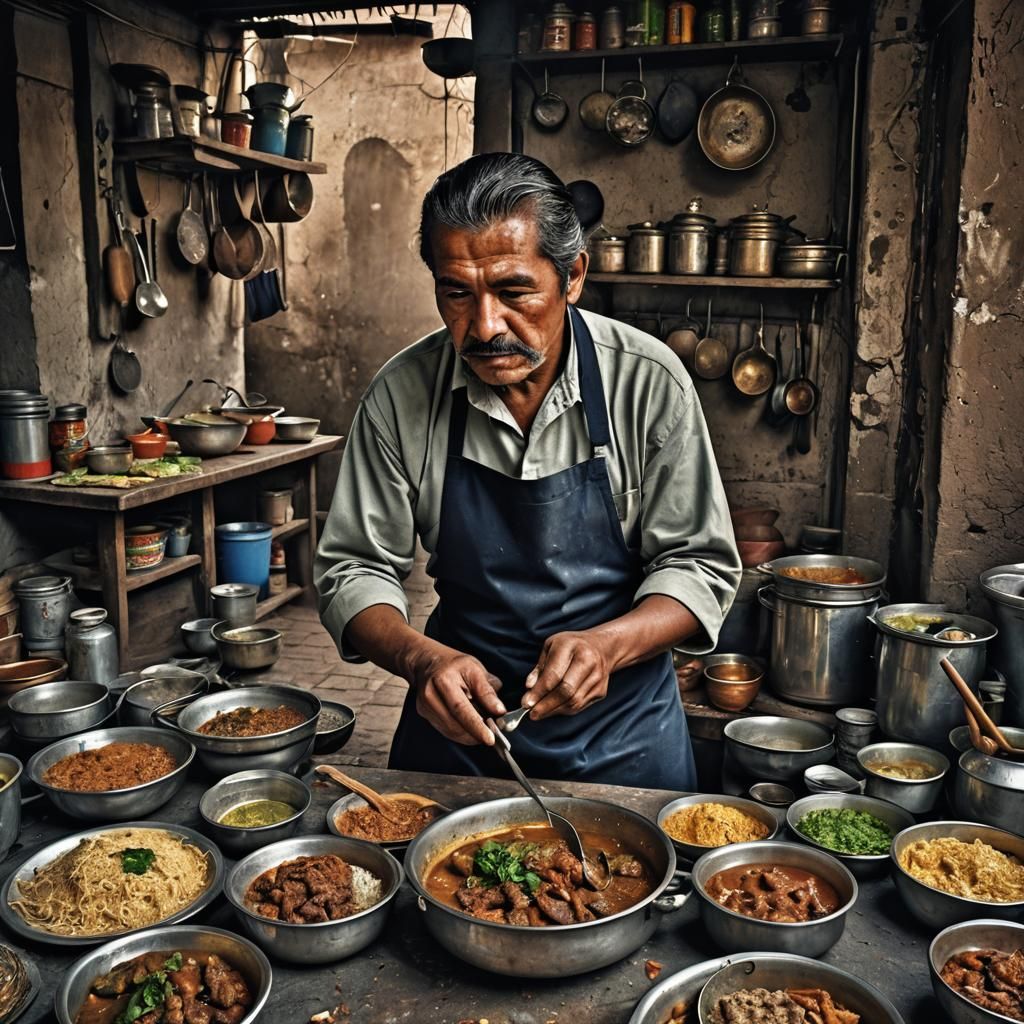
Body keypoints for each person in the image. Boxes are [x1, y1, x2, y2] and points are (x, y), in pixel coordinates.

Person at [315, 152, 740, 790]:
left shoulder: (647, 382)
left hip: (623, 739)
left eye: (514, 291)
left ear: (572, 276)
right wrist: (419, 658)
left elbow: (700, 565)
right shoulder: (402, 394)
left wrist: (608, 646)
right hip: (459, 736)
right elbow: (352, 568)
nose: (485, 327)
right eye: (456, 293)